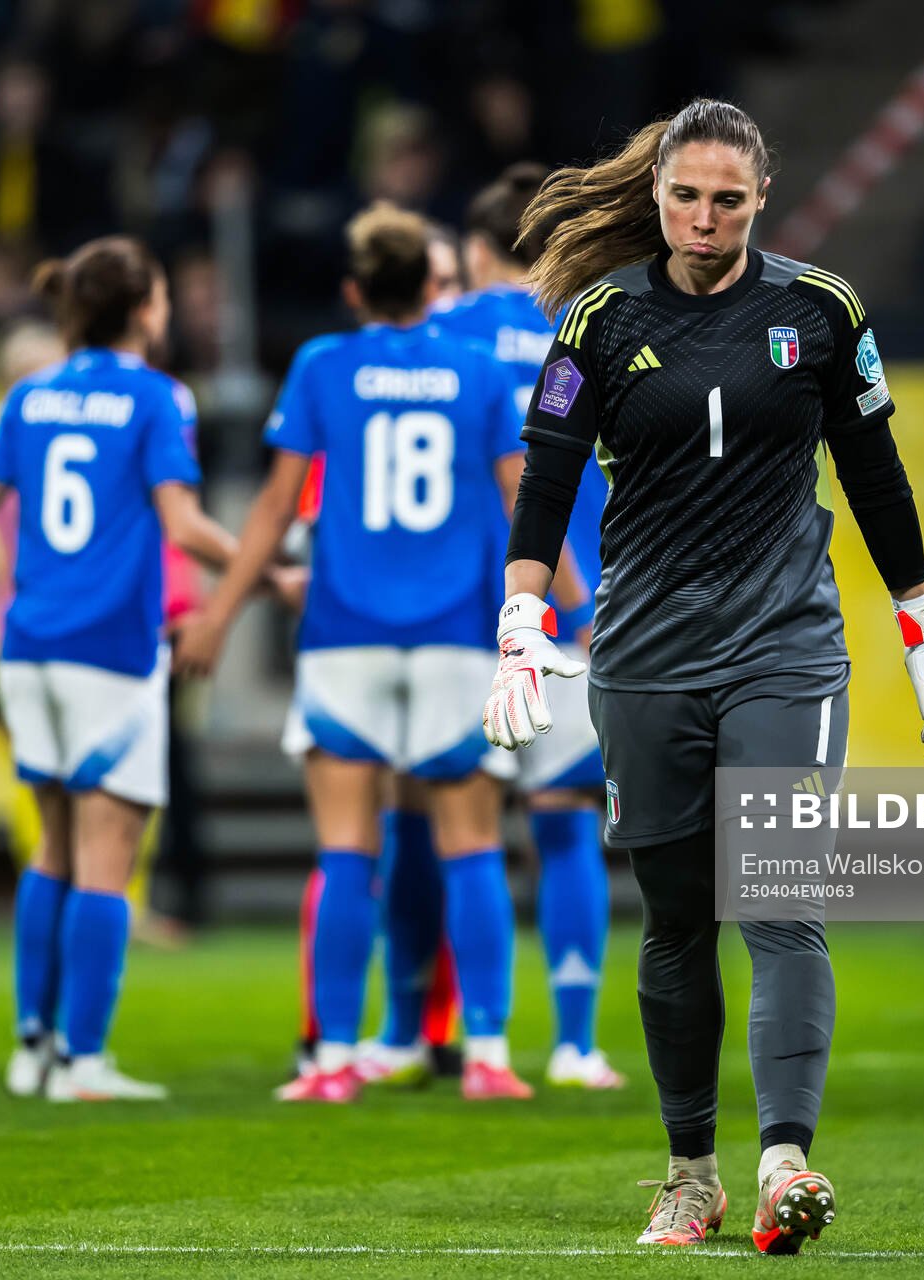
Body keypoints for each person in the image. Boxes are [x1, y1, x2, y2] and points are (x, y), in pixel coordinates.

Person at [481, 100, 924, 1254]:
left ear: (761, 201)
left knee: (781, 901)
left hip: (785, 650)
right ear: (655, 195)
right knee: (681, 918)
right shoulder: (598, 320)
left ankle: (785, 1160)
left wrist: (921, 622)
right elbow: (547, 476)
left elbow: (875, 468)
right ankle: (689, 1173)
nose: (705, 220)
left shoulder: (822, 312)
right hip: (644, 657)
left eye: (729, 201)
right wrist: (518, 610)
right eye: (687, 197)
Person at [181, 203, 536, 1104]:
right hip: (457, 638)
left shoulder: (321, 366)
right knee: (473, 847)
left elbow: (272, 511)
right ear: (432, 286)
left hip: (345, 640)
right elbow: (522, 504)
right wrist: (573, 608)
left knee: (346, 850)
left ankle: (334, 1059)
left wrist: (221, 614)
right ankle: (488, 1055)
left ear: (353, 290)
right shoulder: (476, 374)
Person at [0, 235, 243, 1103]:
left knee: (52, 845)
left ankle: (33, 1046)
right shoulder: (158, 396)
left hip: (27, 649)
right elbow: (183, 525)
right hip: (110, 653)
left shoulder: (29, 395)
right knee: (107, 854)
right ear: (142, 310)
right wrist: (265, 568)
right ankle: (85, 1061)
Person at [427, 162, 622, 1091]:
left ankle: (457, 1038)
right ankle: (578, 1045)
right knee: (567, 820)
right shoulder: (594, 330)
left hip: (458, 623)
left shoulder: (434, 335)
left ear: (471, 252)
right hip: (572, 620)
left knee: (453, 833)